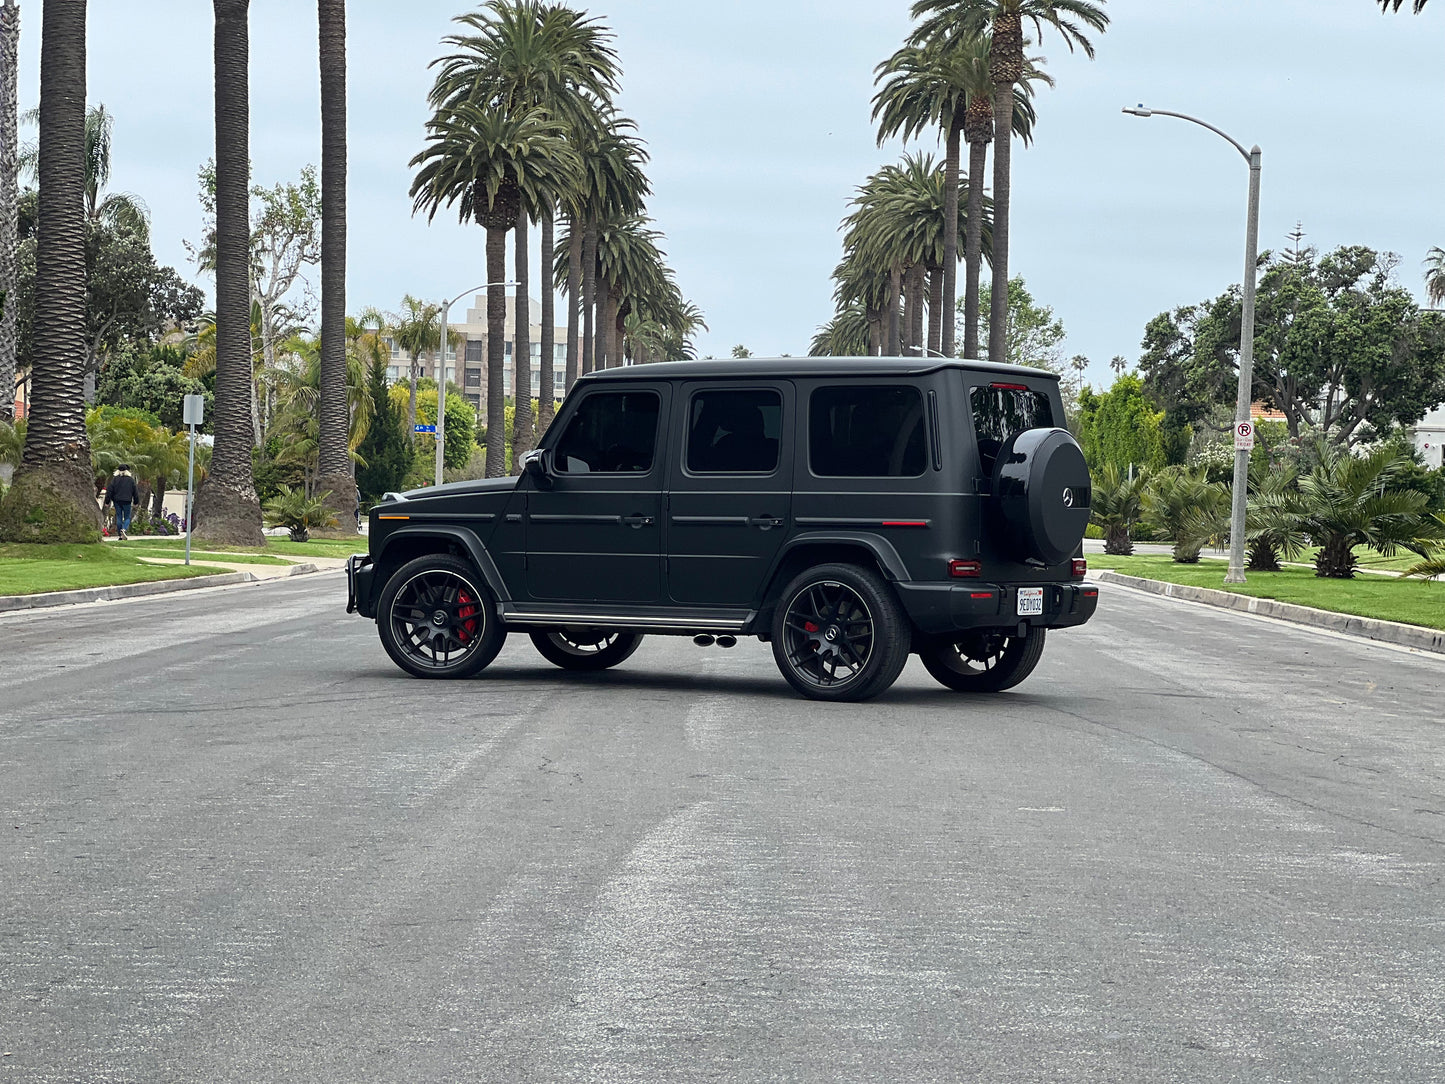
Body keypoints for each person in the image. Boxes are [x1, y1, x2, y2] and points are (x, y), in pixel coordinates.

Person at [104, 463, 139, 540]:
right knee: (127, 517)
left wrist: (107, 501)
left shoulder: (114, 480)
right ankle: (124, 529)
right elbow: (135, 492)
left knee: (119, 517)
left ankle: (120, 535)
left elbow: (109, 491)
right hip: (127, 501)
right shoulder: (131, 480)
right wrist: (136, 502)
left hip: (117, 501)